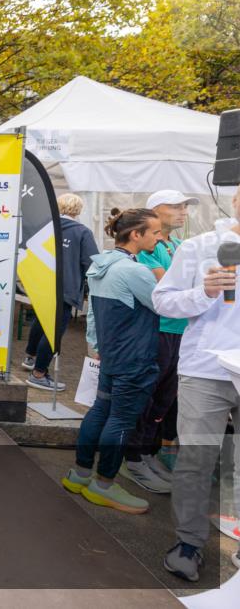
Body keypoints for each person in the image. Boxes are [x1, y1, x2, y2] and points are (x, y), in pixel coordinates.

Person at [157, 189, 240, 582]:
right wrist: (205, 293)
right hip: (207, 370)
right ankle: (189, 542)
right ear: (237, 201)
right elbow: (164, 301)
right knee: (197, 458)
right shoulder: (199, 247)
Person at [61, 208, 162, 515]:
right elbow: (165, 305)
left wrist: (95, 344)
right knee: (120, 419)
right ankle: (104, 485)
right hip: (135, 357)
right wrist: (165, 280)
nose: (160, 238)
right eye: (155, 232)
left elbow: (93, 313)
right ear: (136, 234)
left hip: (111, 353)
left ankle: (79, 474)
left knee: (101, 409)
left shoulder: (102, 265)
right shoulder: (135, 271)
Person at [120, 190, 198, 492]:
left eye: (185, 207)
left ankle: (149, 453)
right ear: (155, 211)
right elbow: (168, 286)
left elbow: (190, 285)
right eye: (176, 206)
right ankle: (133, 458)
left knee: (165, 399)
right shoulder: (148, 246)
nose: (183, 212)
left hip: (182, 333)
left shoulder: (179, 245)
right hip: (158, 330)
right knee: (147, 395)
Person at [22, 193, 98, 391]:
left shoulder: (45, 227)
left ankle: (30, 357)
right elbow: (92, 263)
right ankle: (38, 373)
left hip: (42, 285)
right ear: (78, 210)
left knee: (41, 320)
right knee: (54, 332)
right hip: (65, 289)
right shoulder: (82, 232)